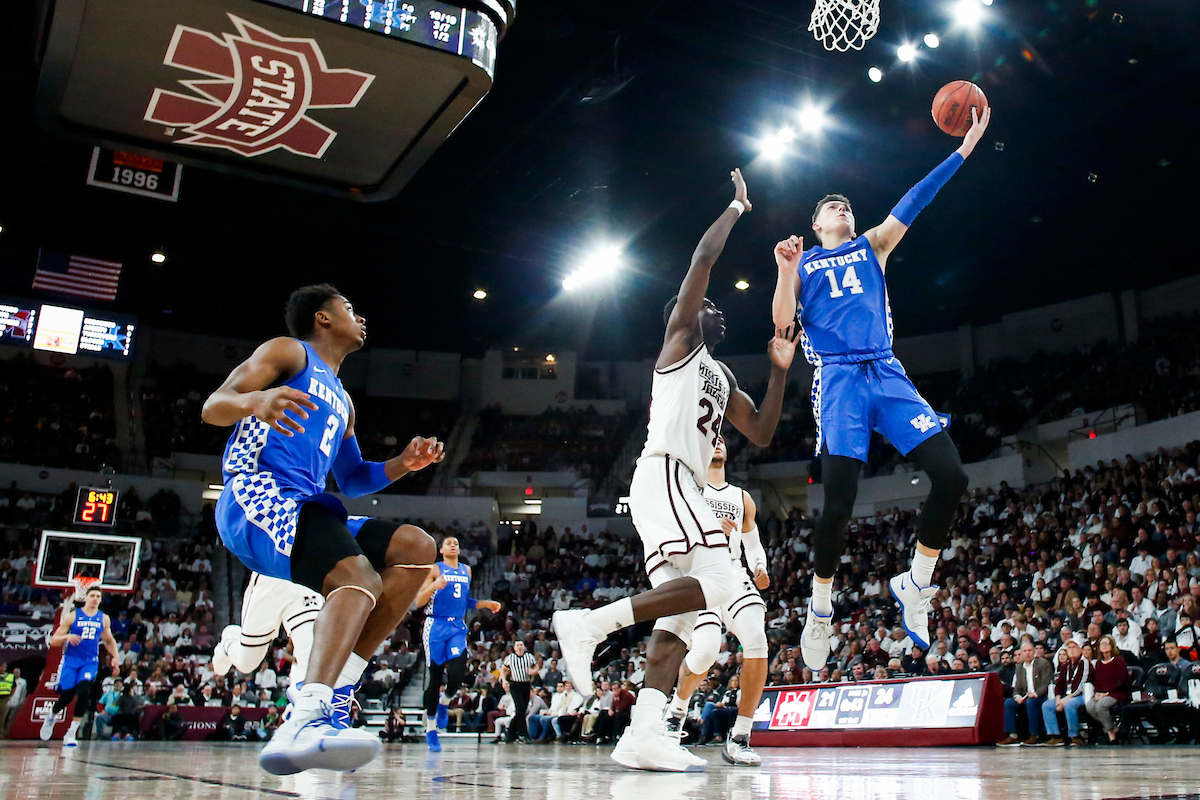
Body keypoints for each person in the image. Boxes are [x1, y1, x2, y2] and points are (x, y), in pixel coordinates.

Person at [554, 169, 797, 772]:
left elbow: (761, 433)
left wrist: (781, 369)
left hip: (682, 485)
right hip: (665, 474)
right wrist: (737, 207)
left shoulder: (721, 373)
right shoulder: (680, 342)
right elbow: (702, 259)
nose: (715, 310)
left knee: (681, 620)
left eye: (713, 308)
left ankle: (643, 733)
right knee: (718, 583)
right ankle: (589, 625)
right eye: (705, 304)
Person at [770, 107, 992, 670]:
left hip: (886, 372)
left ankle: (916, 583)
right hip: (839, 381)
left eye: (845, 205)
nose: (841, 208)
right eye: (829, 208)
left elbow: (916, 198)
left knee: (953, 475)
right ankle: (820, 612)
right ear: (817, 225)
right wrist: (783, 269)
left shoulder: (873, 245)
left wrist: (964, 149)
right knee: (839, 504)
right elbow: (781, 325)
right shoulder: (804, 263)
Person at [202, 284, 443, 775]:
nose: (360, 317)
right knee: (358, 578)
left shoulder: (344, 401)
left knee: (418, 547)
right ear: (323, 319)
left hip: (306, 501)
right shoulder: (288, 351)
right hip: (256, 493)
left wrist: (403, 463)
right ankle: (304, 713)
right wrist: (257, 402)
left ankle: (333, 696)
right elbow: (214, 406)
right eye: (350, 308)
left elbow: (353, 478)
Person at [666, 436, 771, 766]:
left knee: (756, 641)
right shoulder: (689, 490)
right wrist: (711, 530)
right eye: (713, 439)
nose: (719, 442)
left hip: (735, 576)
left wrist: (759, 567)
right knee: (706, 652)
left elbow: (752, 543)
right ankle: (676, 712)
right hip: (701, 576)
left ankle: (740, 735)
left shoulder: (742, 498)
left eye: (723, 439)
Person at [414, 535, 502, 750]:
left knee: (456, 674)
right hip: (435, 626)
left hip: (456, 627)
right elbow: (419, 601)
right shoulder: (435, 569)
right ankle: (431, 730)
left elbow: (465, 601)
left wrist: (485, 604)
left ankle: (445, 702)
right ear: (441, 550)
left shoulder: (466, 570)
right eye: (448, 543)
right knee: (434, 679)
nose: (453, 545)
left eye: (456, 543)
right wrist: (434, 585)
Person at [211, 573, 323, 712]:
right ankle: (229, 639)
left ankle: (304, 714)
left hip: (304, 575)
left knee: (312, 656)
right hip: (270, 575)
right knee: (246, 663)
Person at [39, 586, 119, 746]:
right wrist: (67, 636)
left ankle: (71, 732)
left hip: (90, 662)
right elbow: (54, 640)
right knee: (67, 695)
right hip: (71, 660)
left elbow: (109, 640)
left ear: (100, 600)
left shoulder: (103, 619)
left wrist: (116, 657)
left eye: (98, 596)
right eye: (92, 595)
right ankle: (51, 716)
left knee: (84, 691)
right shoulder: (73, 616)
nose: (95, 598)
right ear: (86, 598)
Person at [1041, 640, 1090, 746]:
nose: (1071, 650)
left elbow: (1081, 686)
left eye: (1074, 647)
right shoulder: (1066, 665)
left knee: (1069, 704)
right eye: (1069, 648)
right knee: (1047, 705)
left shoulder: (1085, 663)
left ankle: (1074, 736)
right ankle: (1056, 736)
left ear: (1080, 650)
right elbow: (1059, 685)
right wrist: (1058, 699)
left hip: (1081, 695)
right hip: (1065, 696)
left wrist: (1064, 700)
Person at [1085, 635, 1130, 743]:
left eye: (1106, 643)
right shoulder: (1099, 663)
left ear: (1112, 646)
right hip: (1102, 693)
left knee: (1101, 705)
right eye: (1102, 644)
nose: (1104, 646)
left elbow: (1122, 680)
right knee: (1090, 705)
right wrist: (1097, 693)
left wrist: (1107, 693)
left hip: (1118, 693)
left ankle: (1110, 733)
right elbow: (1097, 682)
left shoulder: (1119, 661)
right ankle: (1113, 728)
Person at [501, 641, 537, 742]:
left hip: (526, 684)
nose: (520, 647)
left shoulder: (529, 657)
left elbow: (536, 666)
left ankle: (512, 733)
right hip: (515, 684)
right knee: (520, 709)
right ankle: (522, 734)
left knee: (522, 711)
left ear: (524, 647)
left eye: (521, 645)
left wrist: (534, 671)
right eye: (518, 645)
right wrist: (504, 680)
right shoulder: (510, 658)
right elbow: (503, 669)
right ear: (514, 648)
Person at [1, 667, 26, 738]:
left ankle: (6, 733)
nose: (16, 673)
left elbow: (23, 692)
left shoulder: (23, 682)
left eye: (18, 672)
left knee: (11, 719)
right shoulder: (9, 679)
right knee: (3, 718)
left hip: (16, 702)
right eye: (15, 672)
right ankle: (1, 732)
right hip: (7, 701)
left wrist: (21, 702)